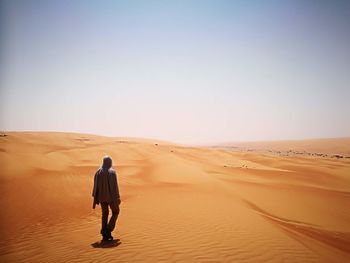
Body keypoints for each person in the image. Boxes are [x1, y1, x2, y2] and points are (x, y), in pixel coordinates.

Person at [92, 156, 121, 241]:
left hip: (101, 197)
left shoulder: (98, 172)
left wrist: (96, 197)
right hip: (111, 197)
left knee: (105, 214)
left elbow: (95, 186)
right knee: (116, 212)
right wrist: (117, 197)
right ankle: (108, 230)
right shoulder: (112, 172)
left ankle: (104, 233)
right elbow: (115, 186)